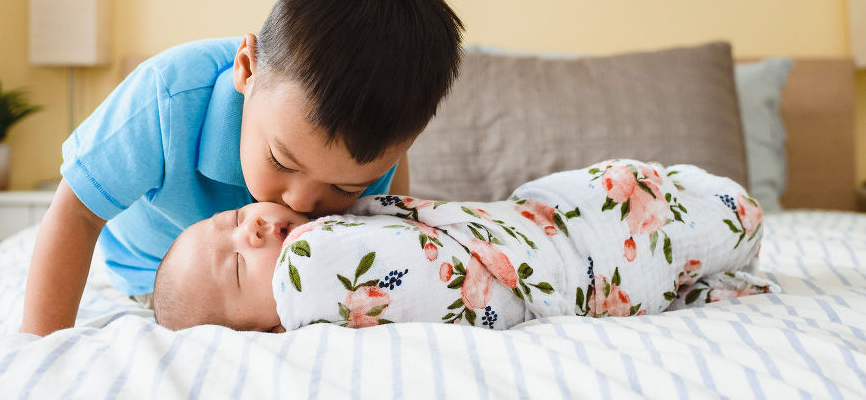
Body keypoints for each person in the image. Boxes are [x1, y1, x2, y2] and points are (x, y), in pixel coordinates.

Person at [21, 0, 465, 336]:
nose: (304, 202)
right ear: (247, 70)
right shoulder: (167, 98)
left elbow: (391, 242)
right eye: (283, 162)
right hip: (149, 271)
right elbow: (76, 213)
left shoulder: (379, 158)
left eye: (344, 188)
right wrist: (38, 352)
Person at [153, 159, 777, 332]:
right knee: (675, 227)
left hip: (535, 221)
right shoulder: (312, 273)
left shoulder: (347, 213)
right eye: (237, 264)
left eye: (234, 216)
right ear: (266, 326)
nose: (251, 229)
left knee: (613, 197)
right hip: (572, 266)